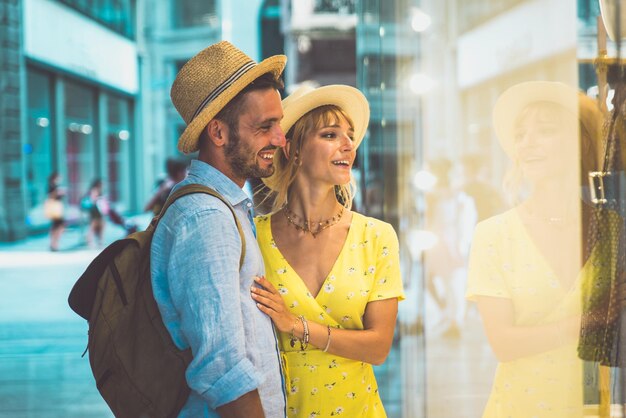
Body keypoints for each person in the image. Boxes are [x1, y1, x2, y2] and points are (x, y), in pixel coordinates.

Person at [150, 41, 288, 418]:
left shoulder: (227, 207)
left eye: (279, 123)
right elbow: (222, 368)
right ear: (218, 133)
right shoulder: (206, 218)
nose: (279, 138)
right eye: (265, 127)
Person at [251, 84, 405, 417]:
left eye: (350, 136)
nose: (349, 145)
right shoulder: (255, 237)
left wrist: (295, 325)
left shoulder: (375, 236)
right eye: (331, 134)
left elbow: (379, 347)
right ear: (293, 148)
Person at [466, 81, 604, 417]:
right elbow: (503, 344)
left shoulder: (610, 229)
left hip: (597, 406)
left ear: (580, 142)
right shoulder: (493, 234)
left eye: (544, 131)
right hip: (519, 406)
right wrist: (589, 323)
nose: (528, 144)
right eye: (521, 134)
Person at [82, 178, 108, 248]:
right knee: (94, 226)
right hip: (95, 211)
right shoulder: (94, 190)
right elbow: (93, 200)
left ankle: (97, 241)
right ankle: (92, 241)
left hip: (97, 211)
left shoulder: (98, 191)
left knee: (98, 225)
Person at [45, 172, 66, 251]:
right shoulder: (51, 186)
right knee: (58, 226)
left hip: (56, 208)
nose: (59, 179)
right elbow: (51, 196)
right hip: (54, 208)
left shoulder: (54, 186)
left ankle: (54, 244)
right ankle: (54, 244)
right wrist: (59, 192)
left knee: (56, 226)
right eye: (58, 178)